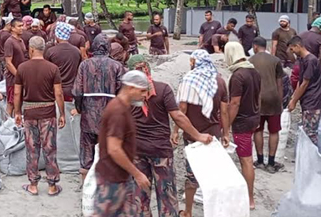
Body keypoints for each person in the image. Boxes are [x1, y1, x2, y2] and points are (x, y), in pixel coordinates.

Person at [128, 55, 213, 216]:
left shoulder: (128, 94)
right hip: (161, 152)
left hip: (137, 151)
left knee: (140, 196)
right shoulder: (162, 89)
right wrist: (198, 136)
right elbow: (178, 116)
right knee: (167, 196)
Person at [177, 50, 230, 217]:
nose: (190, 63)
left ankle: (188, 211)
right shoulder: (220, 82)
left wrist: (176, 130)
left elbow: (182, 110)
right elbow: (224, 112)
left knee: (192, 174)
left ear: (195, 62)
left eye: (192, 61)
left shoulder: (188, 80)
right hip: (214, 133)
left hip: (191, 135)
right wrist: (226, 133)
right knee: (213, 173)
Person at [92, 70, 149, 217]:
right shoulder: (118, 111)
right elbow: (114, 149)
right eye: (142, 91)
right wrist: (137, 174)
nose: (144, 95)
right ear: (131, 88)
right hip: (111, 177)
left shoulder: (123, 107)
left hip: (120, 177)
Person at [14, 36, 65, 196]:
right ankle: (52, 185)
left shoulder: (22, 68)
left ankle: (33, 184)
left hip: (29, 112)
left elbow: (17, 92)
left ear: (30, 49)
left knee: (32, 149)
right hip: (48, 112)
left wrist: (17, 112)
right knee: (50, 148)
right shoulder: (52, 68)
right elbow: (58, 93)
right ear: (44, 49)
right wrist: (61, 113)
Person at [73, 34, 125, 181]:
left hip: (88, 116)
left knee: (87, 151)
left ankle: (86, 189)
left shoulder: (84, 65)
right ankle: (107, 186)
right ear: (108, 47)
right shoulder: (116, 66)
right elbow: (123, 91)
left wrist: (80, 108)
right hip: (110, 117)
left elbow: (77, 91)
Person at [224, 42, 260, 210]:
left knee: (246, 160)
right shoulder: (253, 71)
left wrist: (226, 126)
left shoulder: (238, 76)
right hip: (253, 118)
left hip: (243, 122)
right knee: (247, 158)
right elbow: (258, 96)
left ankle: (249, 199)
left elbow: (235, 103)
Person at [249, 37, 285, 173]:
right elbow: (280, 83)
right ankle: (271, 162)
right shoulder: (275, 61)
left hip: (257, 99)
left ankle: (259, 160)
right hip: (273, 99)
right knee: (274, 131)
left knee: (258, 130)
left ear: (255, 46)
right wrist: (280, 102)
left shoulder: (251, 61)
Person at [287, 36, 321, 145]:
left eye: (292, 49)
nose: (292, 52)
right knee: (306, 129)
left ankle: (313, 157)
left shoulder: (310, 60)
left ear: (298, 46)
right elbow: (301, 81)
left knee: (310, 133)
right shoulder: (303, 60)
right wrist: (294, 96)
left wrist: (294, 101)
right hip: (307, 100)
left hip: (313, 101)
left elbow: (305, 83)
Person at [44, 23, 82, 101]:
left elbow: (46, 72)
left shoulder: (51, 51)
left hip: (54, 90)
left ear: (57, 35)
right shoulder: (77, 51)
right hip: (72, 90)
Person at [4, 18, 29, 116]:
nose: (22, 28)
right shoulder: (9, 42)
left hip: (20, 76)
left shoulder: (21, 40)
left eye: (22, 25)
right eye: (19, 26)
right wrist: (18, 75)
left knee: (19, 103)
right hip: (12, 78)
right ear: (12, 28)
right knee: (11, 103)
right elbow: (8, 63)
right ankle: (7, 125)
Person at [0, 14, 14, 79]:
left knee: (1, 76)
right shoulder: (9, 36)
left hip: (0, 57)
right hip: (7, 57)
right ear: (9, 24)